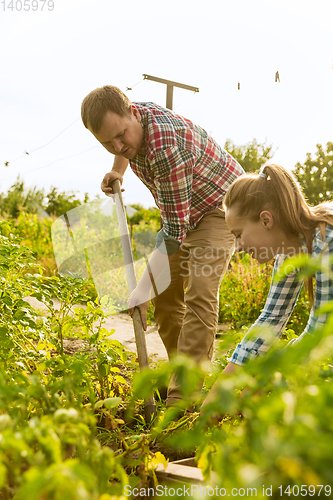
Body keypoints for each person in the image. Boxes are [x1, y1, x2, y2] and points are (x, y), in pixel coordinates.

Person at [81, 85, 244, 407]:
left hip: (221, 208)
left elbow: (173, 231)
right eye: (107, 142)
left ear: (132, 112)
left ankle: (183, 399)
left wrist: (142, 289)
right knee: (166, 300)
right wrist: (117, 168)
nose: (118, 145)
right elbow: (175, 225)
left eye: (121, 135)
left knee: (199, 292)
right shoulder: (130, 120)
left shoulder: (167, 147)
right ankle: (179, 374)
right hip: (184, 209)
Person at [201, 163, 333, 410]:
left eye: (238, 234)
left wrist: (262, 382)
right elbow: (270, 319)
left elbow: (322, 334)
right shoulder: (289, 252)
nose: (237, 247)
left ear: (265, 220)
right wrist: (216, 396)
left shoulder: (328, 241)